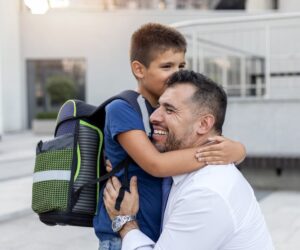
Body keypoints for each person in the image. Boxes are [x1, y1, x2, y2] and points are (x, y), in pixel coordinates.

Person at [93, 23, 246, 250]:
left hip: (156, 233)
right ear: (139, 69)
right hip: (121, 235)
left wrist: (238, 151)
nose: (176, 73)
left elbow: (197, 138)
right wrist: (219, 152)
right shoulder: (122, 109)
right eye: (167, 66)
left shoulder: (167, 110)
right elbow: (157, 165)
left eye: (181, 64)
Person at [103, 70, 274, 250]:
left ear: (203, 124)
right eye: (158, 107)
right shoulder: (191, 171)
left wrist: (125, 223)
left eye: (169, 109)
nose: (153, 117)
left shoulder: (207, 193)